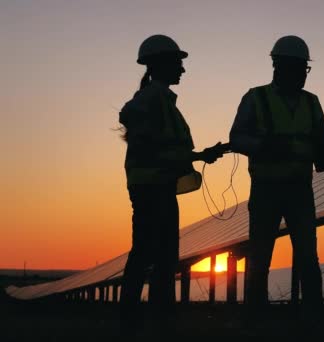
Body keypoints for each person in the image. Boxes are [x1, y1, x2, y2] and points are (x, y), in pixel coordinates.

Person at [230, 35, 324, 316]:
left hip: (300, 189)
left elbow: (319, 145)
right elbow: (237, 138)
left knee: (308, 255)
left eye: (304, 69)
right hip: (266, 189)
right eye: (297, 68)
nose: (301, 75)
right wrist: (267, 146)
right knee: (260, 256)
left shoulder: (312, 103)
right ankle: (256, 315)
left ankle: (312, 315)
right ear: (279, 66)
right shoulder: (256, 98)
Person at [117, 34, 224, 336]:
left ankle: (148, 320)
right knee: (153, 257)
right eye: (178, 63)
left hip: (156, 186)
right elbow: (148, 143)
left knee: (154, 256)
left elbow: (160, 146)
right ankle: (147, 320)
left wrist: (201, 155)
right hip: (152, 187)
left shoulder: (160, 101)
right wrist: (195, 155)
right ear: (161, 64)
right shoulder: (152, 100)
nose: (183, 70)